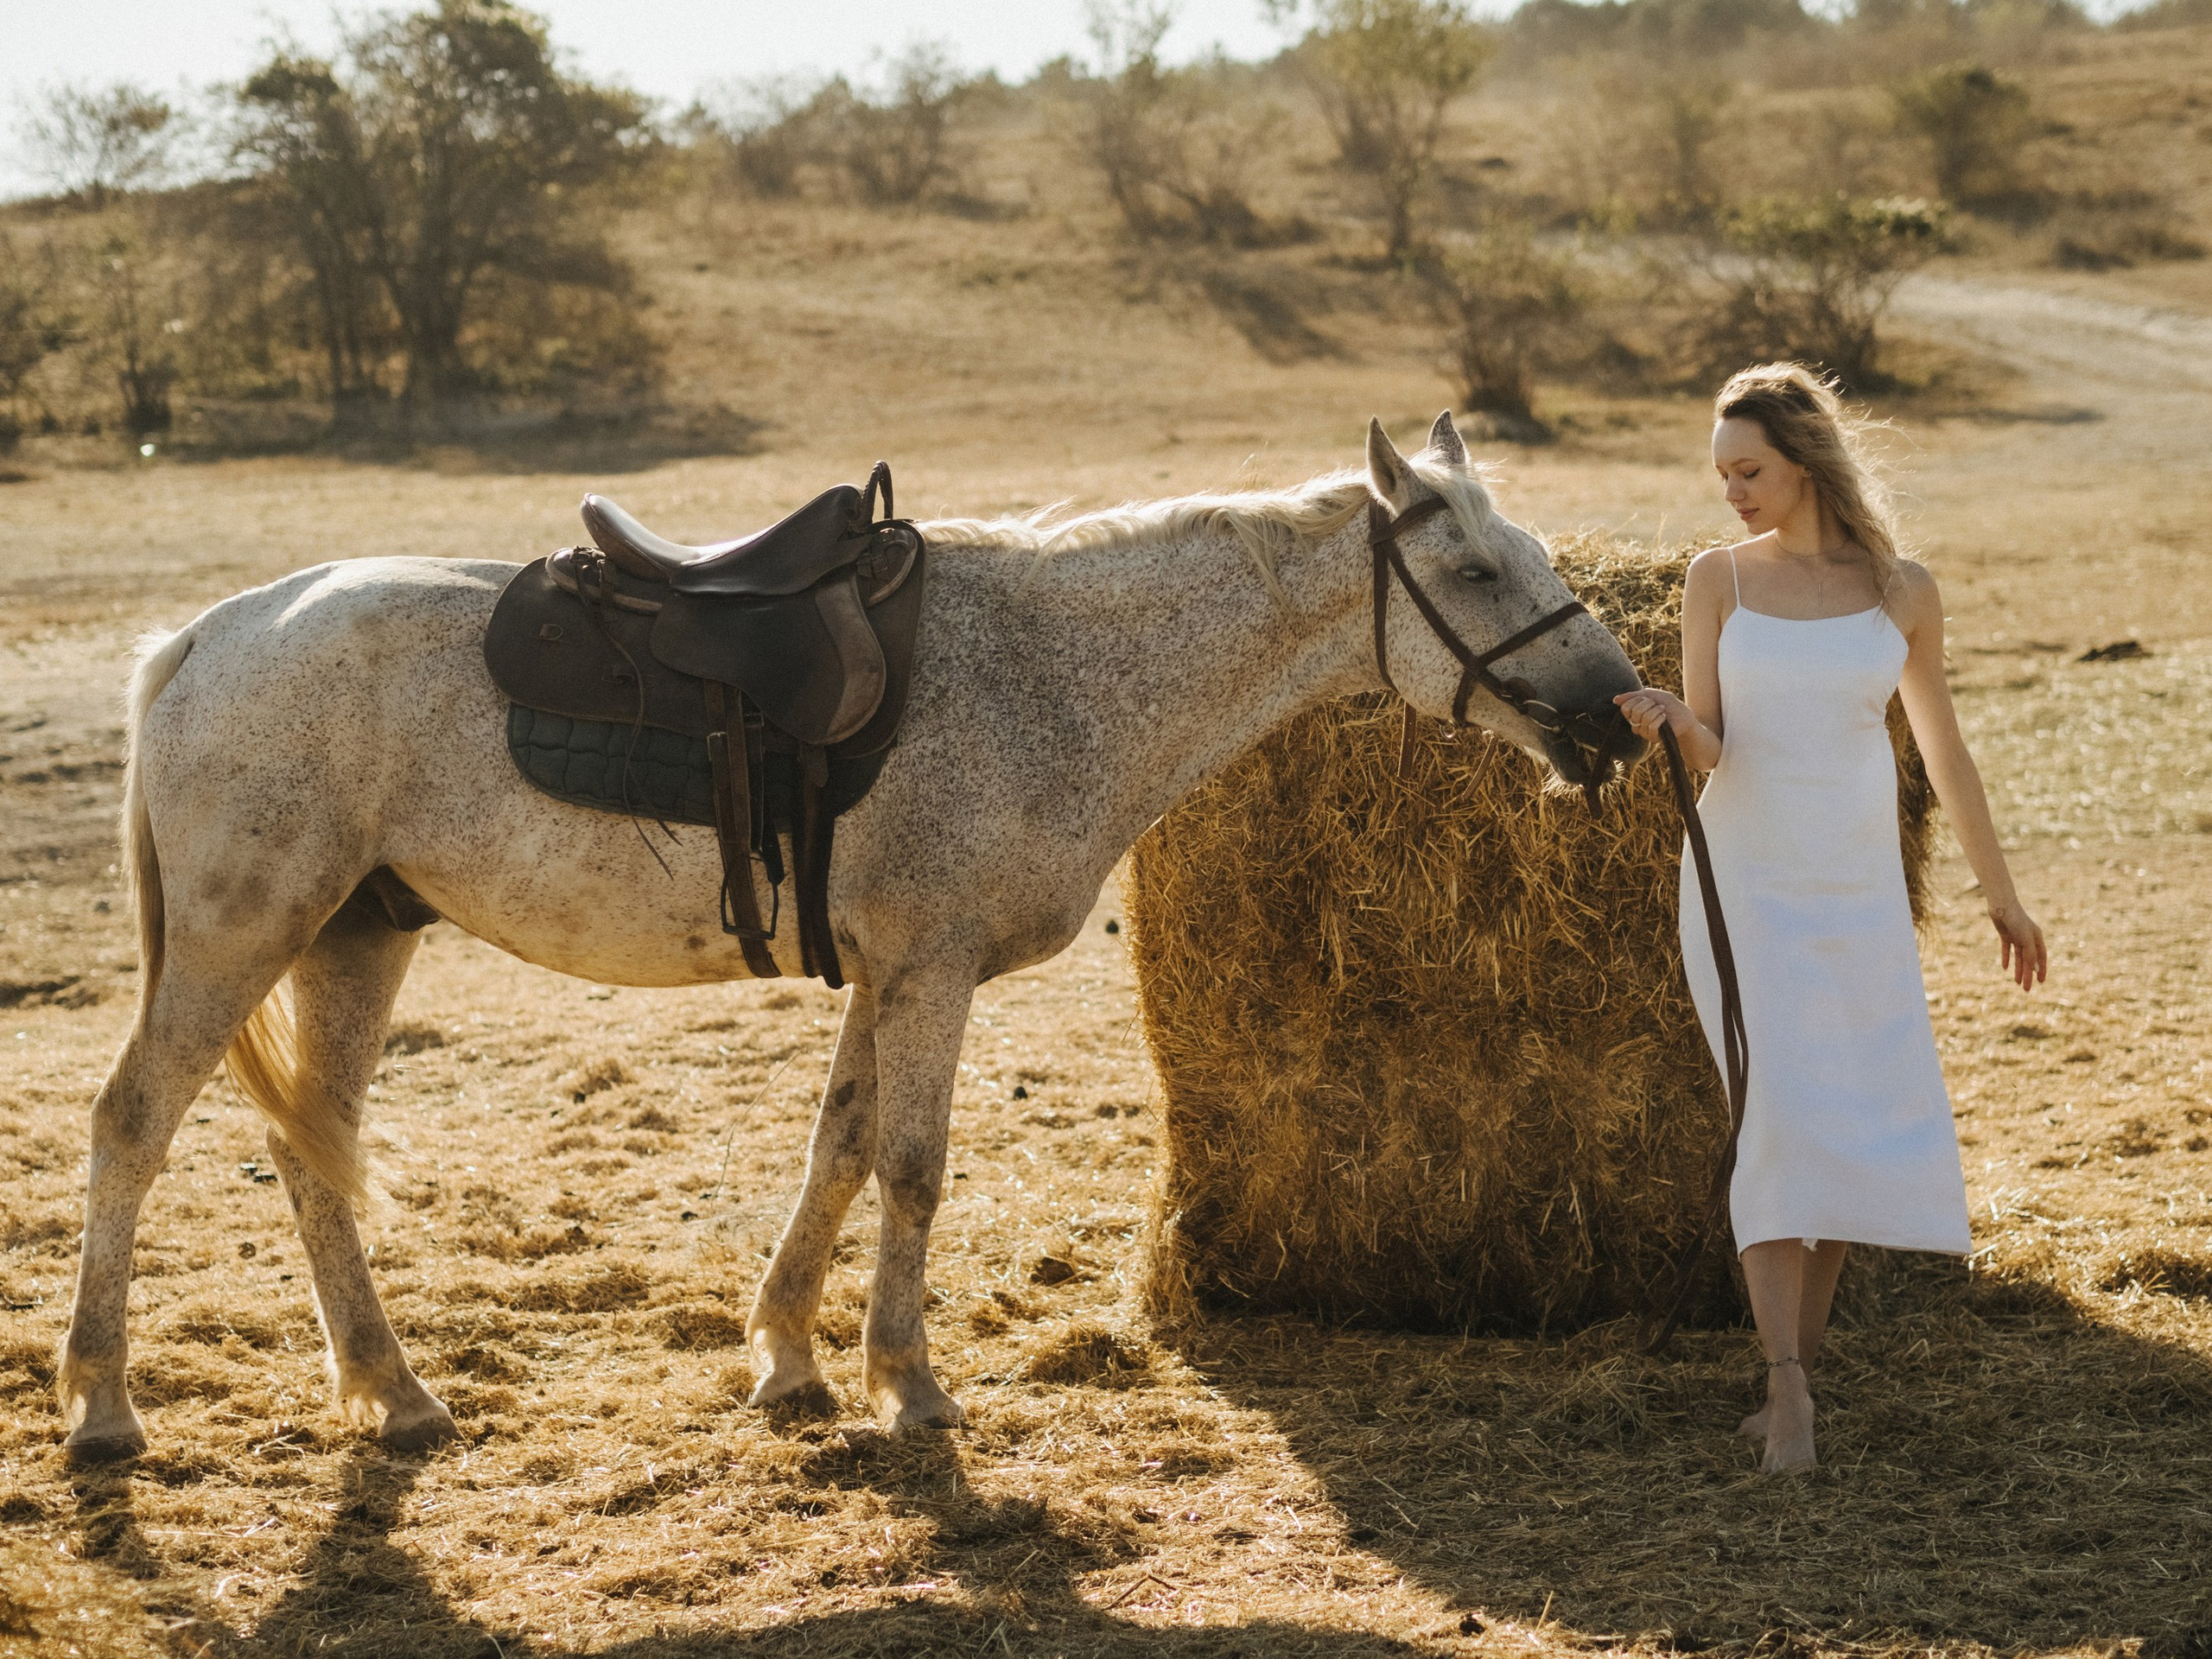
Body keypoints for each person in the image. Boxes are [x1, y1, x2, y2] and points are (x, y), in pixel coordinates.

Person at [1612, 363, 2049, 1475]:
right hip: (1745, 878)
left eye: (1748, 470)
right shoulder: (1716, 580)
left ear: (1802, 459)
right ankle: (1788, 1389)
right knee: (1774, 1118)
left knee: (1842, 1115)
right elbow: (1713, 742)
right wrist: (1670, 719)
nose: (1732, 492)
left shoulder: (1900, 590)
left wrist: (2001, 893)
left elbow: (1941, 750)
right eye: (1721, 474)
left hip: (1854, 882)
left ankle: (1791, 1380)